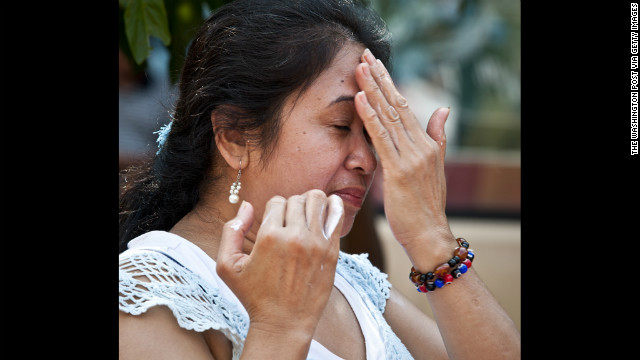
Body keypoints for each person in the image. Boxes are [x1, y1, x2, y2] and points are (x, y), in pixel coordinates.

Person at [118, 0, 521, 359]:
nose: (367, 160)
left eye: (372, 134)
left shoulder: (346, 275)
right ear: (235, 137)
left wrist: (431, 236)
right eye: (342, 125)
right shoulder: (146, 297)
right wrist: (279, 328)